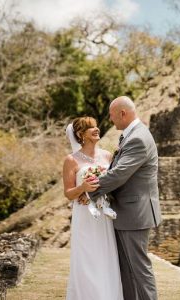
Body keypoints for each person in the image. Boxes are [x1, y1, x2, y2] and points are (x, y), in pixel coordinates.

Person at [84, 96, 162, 300]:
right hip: (126, 212)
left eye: (111, 116)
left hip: (135, 213)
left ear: (123, 113)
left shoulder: (138, 138)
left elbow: (119, 173)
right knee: (126, 271)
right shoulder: (130, 135)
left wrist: (89, 190)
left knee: (139, 271)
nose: (111, 120)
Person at [63, 116, 123, 300]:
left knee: (106, 256)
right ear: (81, 134)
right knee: (87, 257)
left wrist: (100, 193)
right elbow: (68, 193)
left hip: (104, 214)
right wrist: (83, 189)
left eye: (96, 126)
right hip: (85, 215)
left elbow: (116, 184)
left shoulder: (107, 156)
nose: (96, 129)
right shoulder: (71, 160)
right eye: (91, 128)